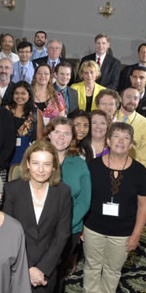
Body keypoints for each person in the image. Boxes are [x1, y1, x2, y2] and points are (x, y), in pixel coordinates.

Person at [76, 123, 146, 293]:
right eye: (116, 136)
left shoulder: (139, 172)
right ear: (108, 140)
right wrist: (81, 225)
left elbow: (144, 207)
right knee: (92, 266)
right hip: (93, 227)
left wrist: (136, 235)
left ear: (130, 144)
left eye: (125, 137)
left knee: (112, 269)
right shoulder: (92, 167)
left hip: (122, 232)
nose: (120, 141)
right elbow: (84, 198)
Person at [3, 140, 72, 293]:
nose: (41, 169)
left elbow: (62, 235)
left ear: (54, 167)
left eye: (47, 164)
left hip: (45, 272)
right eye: (35, 163)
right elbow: (7, 233)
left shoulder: (63, 193)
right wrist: (28, 267)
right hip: (14, 267)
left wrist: (41, 269)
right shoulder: (11, 189)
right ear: (27, 164)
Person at [45, 117, 92, 278]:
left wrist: (65, 224)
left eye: (66, 133)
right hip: (38, 229)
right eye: (57, 132)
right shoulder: (37, 158)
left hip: (69, 229)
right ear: (49, 134)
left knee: (58, 274)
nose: (61, 137)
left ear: (72, 138)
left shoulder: (79, 163)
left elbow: (84, 201)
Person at [114, 88, 146, 170]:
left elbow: (145, 156)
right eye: (128, 97)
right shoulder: (110, 116)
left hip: (130, 170)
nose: (132, 101)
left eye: (135, 98)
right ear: (120, 99)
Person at [6, 81, 42, 167]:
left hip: (26, 156)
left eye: (23, 93)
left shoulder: (35, 113)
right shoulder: (6, 110)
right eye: (16, 93)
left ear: (29, 95)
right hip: (5, 155)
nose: (19, 96)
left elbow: (40, 139)